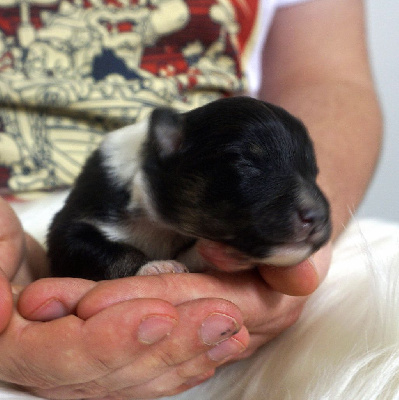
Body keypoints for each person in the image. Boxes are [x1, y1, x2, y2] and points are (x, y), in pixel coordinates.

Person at [0, 0, 381, 398]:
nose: (312, 206)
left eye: (308, 175)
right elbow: (75, 241)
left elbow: (330, 80)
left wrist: (293, 256)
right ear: (169, 148)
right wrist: (130, 267)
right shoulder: (114, 187)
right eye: (248, 168)